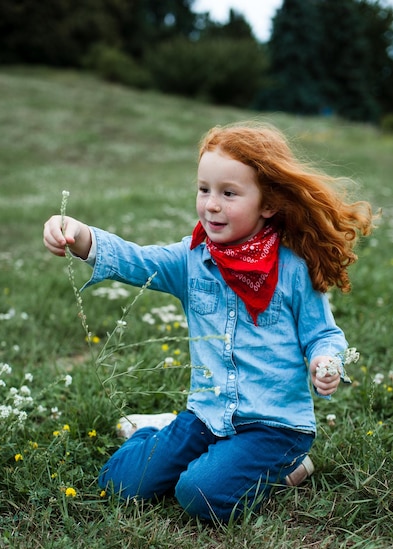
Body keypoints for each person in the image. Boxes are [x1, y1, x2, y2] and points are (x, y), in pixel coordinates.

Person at [43, 122, 373, 523]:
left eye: (228, 193)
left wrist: (326, 362)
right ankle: (157, 433)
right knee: (121, 484)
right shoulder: (192, 259)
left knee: (199, 493)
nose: (211, 204)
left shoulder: (293, 268)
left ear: (267, 203)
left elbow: (322, 334)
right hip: (207, 414)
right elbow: (136, 259)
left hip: (274, 425)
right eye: (204, 189)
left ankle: (291, 467)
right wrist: (78, 235)